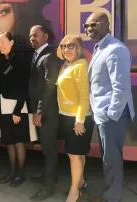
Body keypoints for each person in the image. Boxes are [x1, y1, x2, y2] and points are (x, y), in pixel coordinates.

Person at [84, 13, 135, 202]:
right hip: (104, 116)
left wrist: (109, 114)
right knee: (108, 159)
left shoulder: (116, 49)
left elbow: (121, 88)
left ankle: (111, 198)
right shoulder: (99, 48)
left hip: (112, 118)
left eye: (93, 25)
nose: (89, 29)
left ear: (107, 25)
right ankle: (109, 195)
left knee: (112, 161)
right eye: (86, 25)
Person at [56, 34, 95, 202]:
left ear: (78, 47)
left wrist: (80, 121)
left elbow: (84, 96)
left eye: (70, 46)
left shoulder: (80, 65)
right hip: (66, 116)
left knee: (74, 155)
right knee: (77, 154)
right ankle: (81, 182)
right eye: (63, 46)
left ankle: (74, 191)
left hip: (78, 118)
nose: (66, 50)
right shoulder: (67, 65)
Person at [28, 25, 60, 201]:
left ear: (46, 36)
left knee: (49, 149)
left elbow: (49, 86)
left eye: (36, 35)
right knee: (46, 149)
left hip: (47, 112)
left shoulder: (49, 56)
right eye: (31, 35)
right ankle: (49, 176)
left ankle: (48, 187)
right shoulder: (37, 54)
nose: (32, 38)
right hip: (40, 111)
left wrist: (39, 111)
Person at [0, 32, 30, 187]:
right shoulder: (1, 61)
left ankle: (20, 174)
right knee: (9, 141)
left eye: (3, 41)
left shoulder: (20, 60)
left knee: (18, 142)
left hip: (18, 106)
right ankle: (11, 173)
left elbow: (24, 87)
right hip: (4, 105)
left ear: (11, 42)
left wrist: (17, 111)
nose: (0, 45)